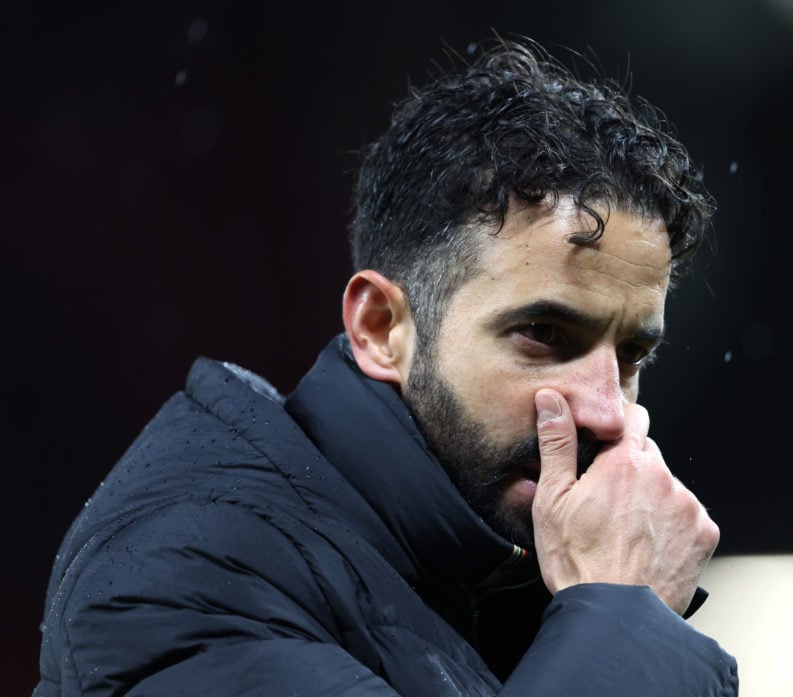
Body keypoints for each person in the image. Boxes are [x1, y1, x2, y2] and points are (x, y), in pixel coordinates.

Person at [34, 39, 738, 696]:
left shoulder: (509, 576)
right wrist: (620, 619)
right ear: (379, 327)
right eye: (543, 333)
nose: (607, 410)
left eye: (631, 354)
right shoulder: (185, 574)